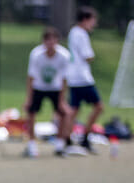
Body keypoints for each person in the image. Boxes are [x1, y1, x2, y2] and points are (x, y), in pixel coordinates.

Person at [23, 27, 71, 158]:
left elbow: (64, 79)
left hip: (56, 88)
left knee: (64, 113)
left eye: (53, 40)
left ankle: (60, 145)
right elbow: (31, 77)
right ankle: (32, 145)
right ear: (43, 42)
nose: (50, 43)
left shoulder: (64, 55)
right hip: (39, 87)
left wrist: (62, 100)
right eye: (47, 40)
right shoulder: (36, 54)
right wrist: (29, 98)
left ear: (57, 41)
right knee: (31, 112)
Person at [65, 6, 104, 154]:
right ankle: (84, 138)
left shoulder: (73, 32)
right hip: (82, 77)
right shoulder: (81, 34)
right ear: (86, 19)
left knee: (74, 110)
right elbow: (88, 56)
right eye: (93, 20)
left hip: (73, 77)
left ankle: (68, 140)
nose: (94, 24)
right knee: (98, 106)